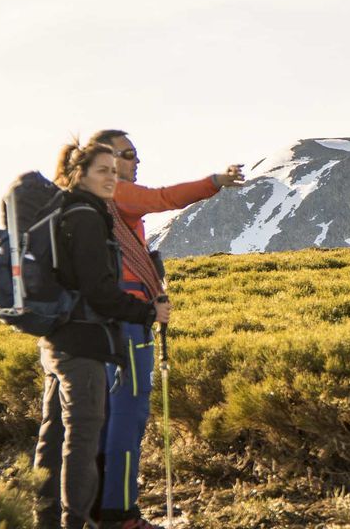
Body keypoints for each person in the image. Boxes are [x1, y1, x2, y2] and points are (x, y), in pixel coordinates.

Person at [87, 129, 244, 529]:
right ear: (104, 161)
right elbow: (162, 198)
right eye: (128, 154)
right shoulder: (115, 193)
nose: (136, 162)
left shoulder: (92, 203)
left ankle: (98, 506)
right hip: (128, 318)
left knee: (106, 414)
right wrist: (215, 182)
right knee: (129, 413)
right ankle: (119, 513)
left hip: (105, 320)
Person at [34, 140, 172, 529]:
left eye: (115, 170)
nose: (113, 177)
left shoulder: (61, 211)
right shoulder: (86, 217)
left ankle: (46, 519)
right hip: (84, 341)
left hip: (56, 338)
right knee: (81, 441)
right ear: (80, 174)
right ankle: (78, 522)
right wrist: (147, 311)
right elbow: (99, 290)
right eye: (103, 171)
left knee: (54, 433)